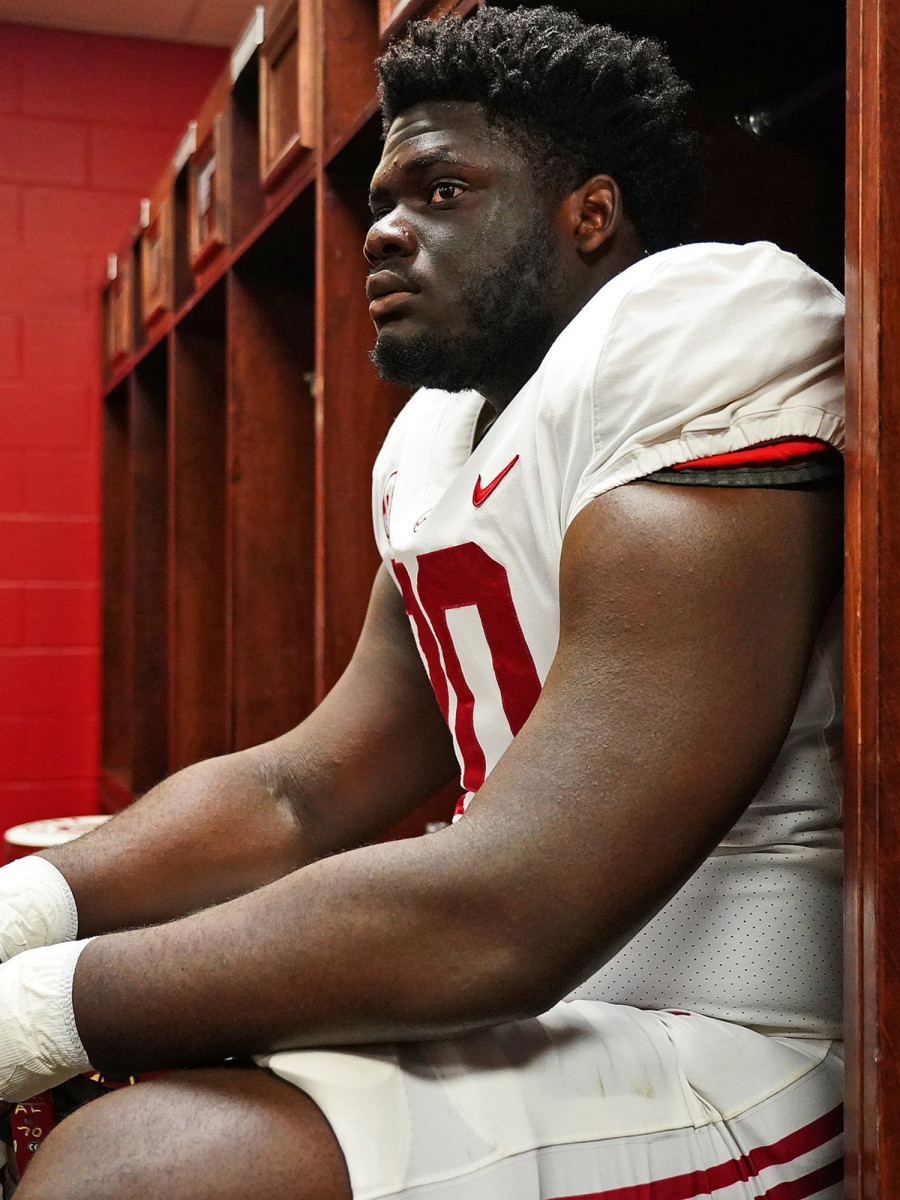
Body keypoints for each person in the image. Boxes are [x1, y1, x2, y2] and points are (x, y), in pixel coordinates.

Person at [0, 7, 844, 1198]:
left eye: (442, 192)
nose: (383, 233)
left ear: (589, 214)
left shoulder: (698, 325)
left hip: (737, 1033)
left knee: (138, 1168)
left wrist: (42, 1007)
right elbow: (299, 791)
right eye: (384, 198)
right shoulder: (433, 441)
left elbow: (514, 905)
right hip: (550, 995)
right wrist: (26, 915)